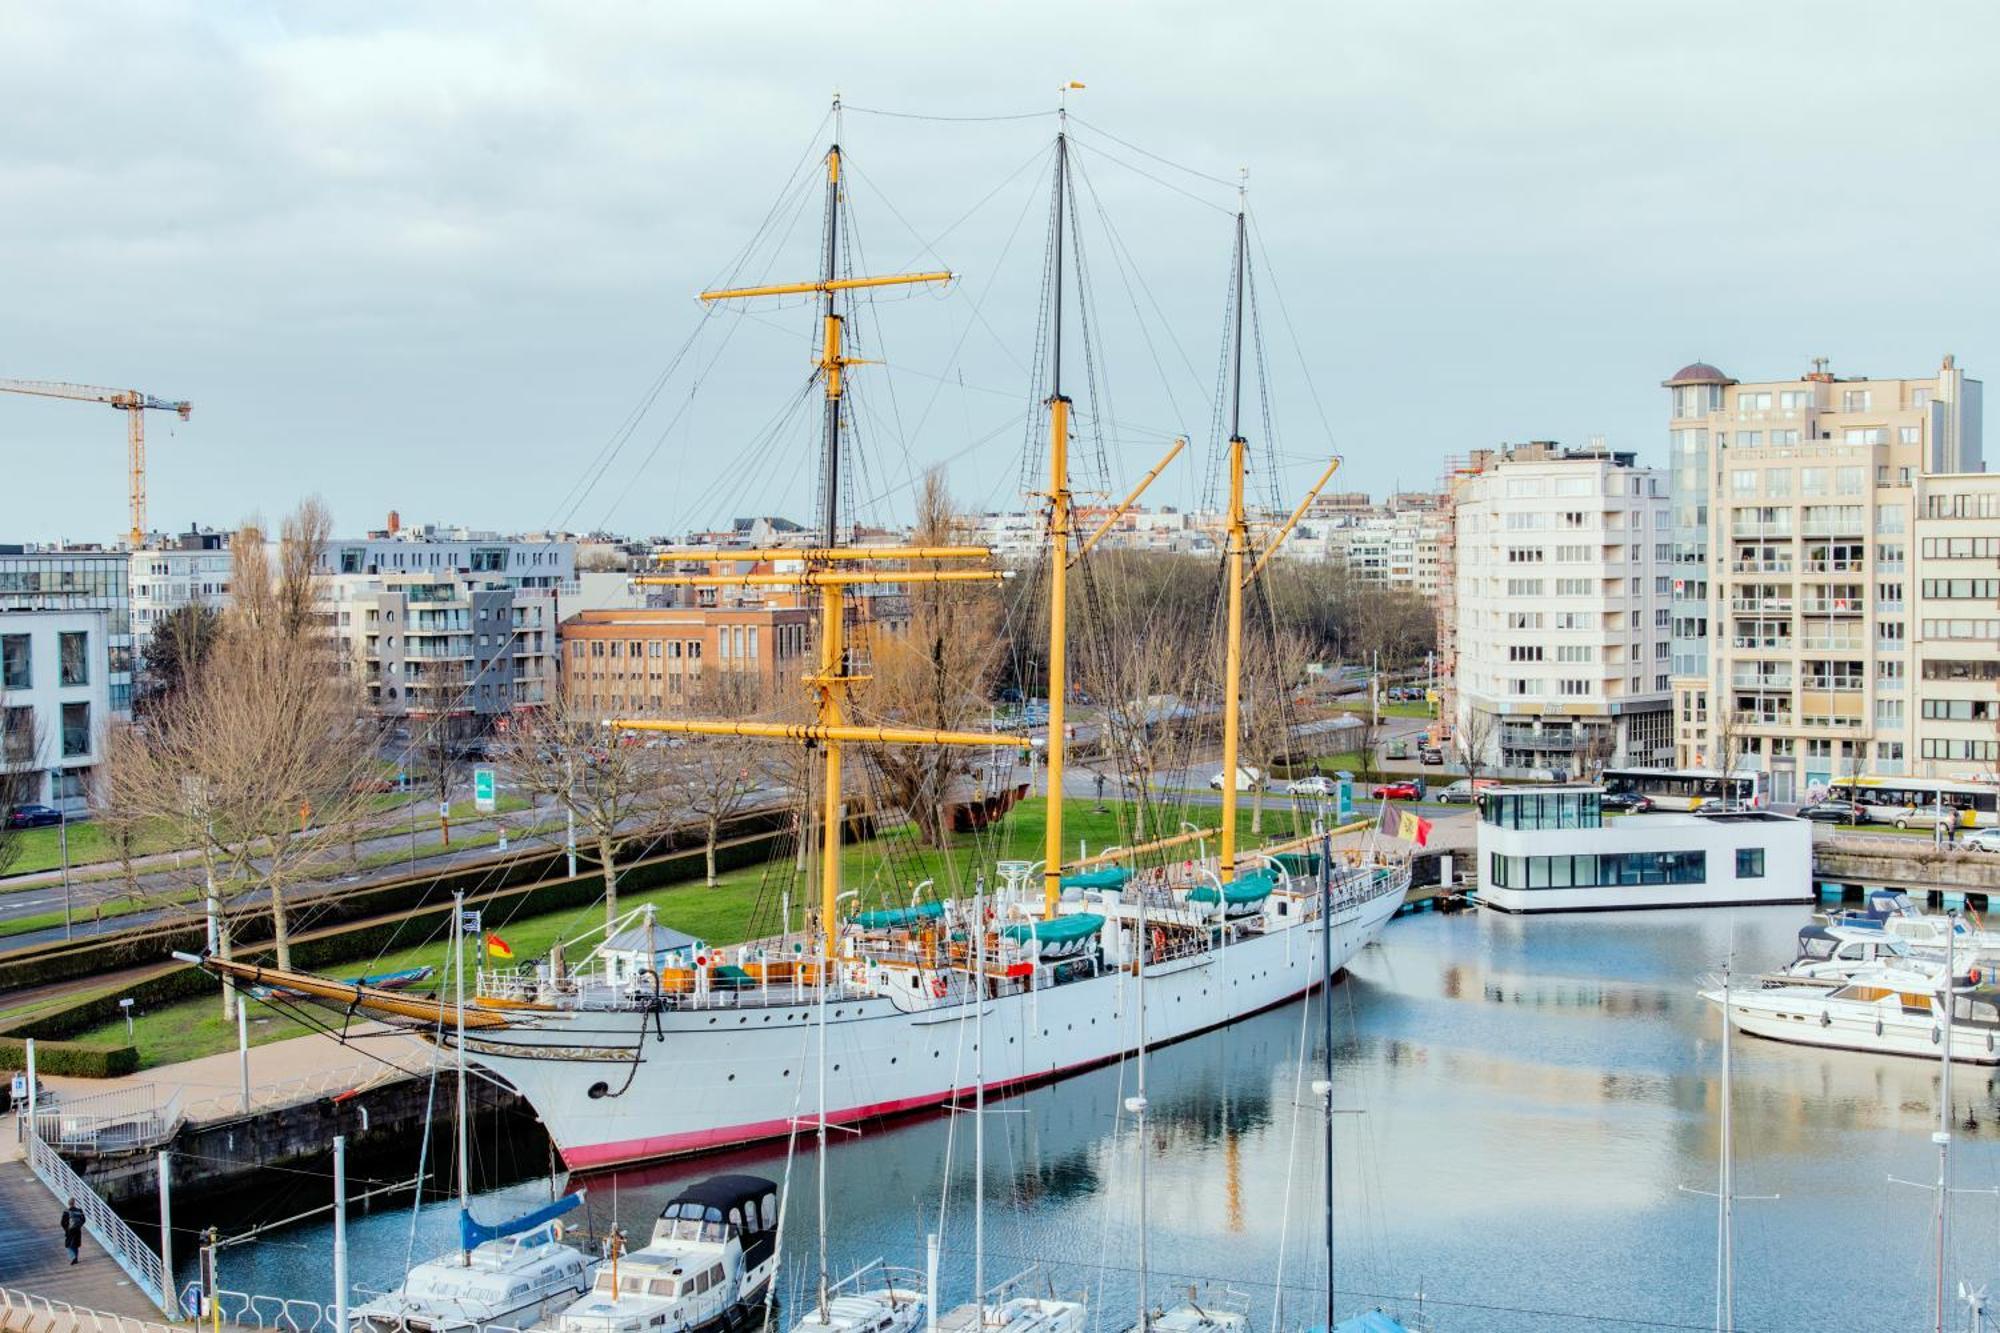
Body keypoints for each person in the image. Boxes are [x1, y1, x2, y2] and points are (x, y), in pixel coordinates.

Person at [59, 1198, 84, 1265]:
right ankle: (76, 1258)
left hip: (69, 1230)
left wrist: (66, 1229)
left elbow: (62, 1223)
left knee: (68, 1245)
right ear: (74, 1203)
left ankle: (73, 1258)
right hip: (77, 1230)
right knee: (75, 1244)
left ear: (68, 1204)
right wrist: (79, 1226)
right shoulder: (79, 1210)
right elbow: (83, 1220)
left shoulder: (66, 1212)